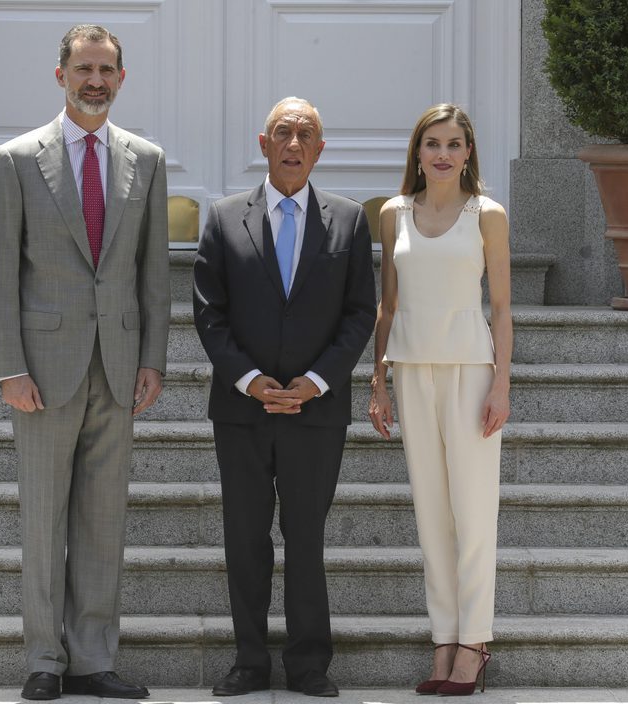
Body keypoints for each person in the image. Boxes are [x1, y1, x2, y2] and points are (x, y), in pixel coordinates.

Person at [0, 24, 170, 701]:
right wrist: (8, 367)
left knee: (102, 520)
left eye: (107, 69)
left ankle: (93, 658)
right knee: (43, 519)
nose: (95, 80)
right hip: (42, 368)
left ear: (123, 78)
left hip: (118, 368)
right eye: (84, 68)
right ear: (60, 74)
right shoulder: (16, 159)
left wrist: (154, 358)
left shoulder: (145, 159)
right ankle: (44, 659)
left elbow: (154, 271)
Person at [193, 97, 376, 698]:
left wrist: (315, 381)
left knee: (305, 539)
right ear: (263, 143)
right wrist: (251, 380)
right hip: (242, 410)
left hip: (316, 412)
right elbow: (209, 313)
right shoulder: (222, 218)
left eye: (306, 134)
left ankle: (308, 666)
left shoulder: (349, 220)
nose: (293, 143)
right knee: (244, 539)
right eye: (282, 133)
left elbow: (359, 314)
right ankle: (249, 663)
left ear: (320, 149)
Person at [368, 104, 512, 696]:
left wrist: (502, 382)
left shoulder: (488, 214)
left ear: (469, 152)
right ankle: (443, 640)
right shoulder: (392, 213)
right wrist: (376, 381)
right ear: (417, 152)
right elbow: (388, 305)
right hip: (410, 368)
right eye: (433, 143)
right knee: (431, 515)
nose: (443, 154)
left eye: (454, 144)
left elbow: (501, 307)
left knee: (473, 514)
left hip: (471, 372)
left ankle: (474, 644)